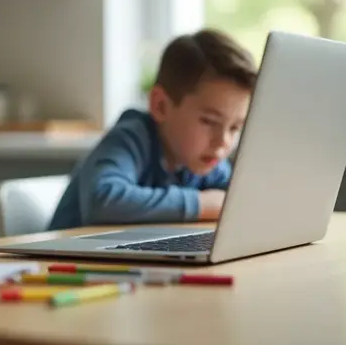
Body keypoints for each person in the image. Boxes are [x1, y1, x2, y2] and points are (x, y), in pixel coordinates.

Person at [48, 29, 258, 230]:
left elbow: (238, 200)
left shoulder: (203, 162)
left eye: (235, 128)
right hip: (65, 263)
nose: (223, 141)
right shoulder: (130, 139)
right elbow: (102, 200)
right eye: (209, 121)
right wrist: (201, 203)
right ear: (160, 106)